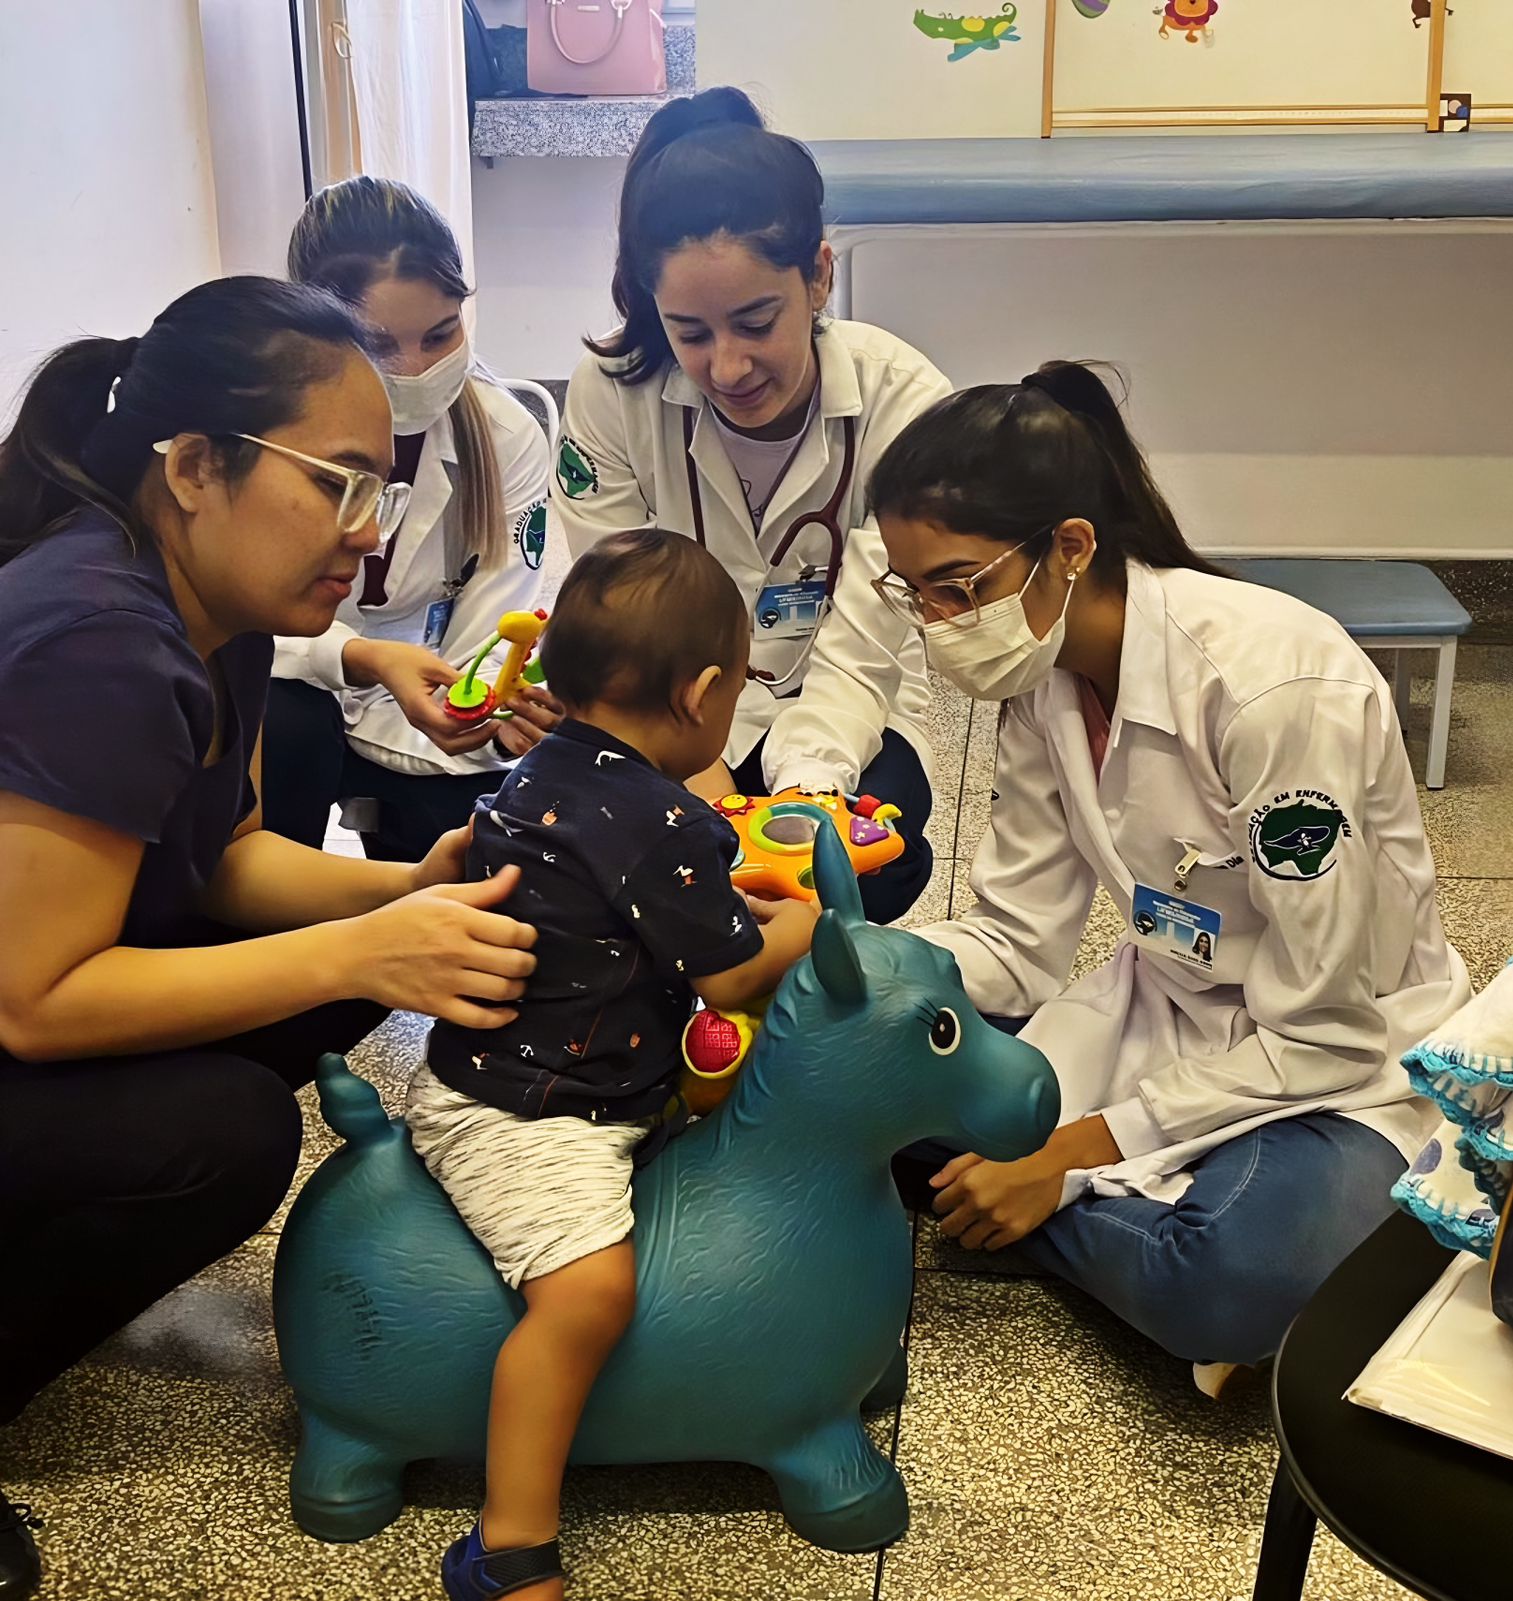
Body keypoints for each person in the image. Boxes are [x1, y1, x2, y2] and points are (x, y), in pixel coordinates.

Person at [0, 278, 539, 1600]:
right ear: (194, 468)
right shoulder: (99, 640)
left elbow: (228, 858)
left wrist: (405, 891)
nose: (364, 533)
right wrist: (364, 953)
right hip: (23, 1000)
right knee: (226, 1134)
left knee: (344, 978)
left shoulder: (223, 609)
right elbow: (34, 1001)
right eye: (337, 484)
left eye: (379, 494)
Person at [871, 364, 1470, 1391]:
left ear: (1070, 546)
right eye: (913, 590)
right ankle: (1119, 1222)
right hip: (1167, 1008)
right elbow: (1017, 943)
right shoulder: (1044, 676)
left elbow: (1320, 1030)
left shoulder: (1273, 688)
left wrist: (1066, 1156)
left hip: (1337, 1063)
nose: (936, 621)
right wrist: (850, 965)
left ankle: (1110, 1233)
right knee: (878, 1096)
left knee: (1228, 1278)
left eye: (959, 586)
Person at [407, 530, 820, 1601]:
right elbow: (730, 974)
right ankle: (509, 1543)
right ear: (701, 692)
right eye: (741, 686)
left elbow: (640, 902)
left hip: (570, 1070)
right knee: (586, 1295)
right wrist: (802, 925)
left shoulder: (540, 767)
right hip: (523, 1109)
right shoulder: (665, 819)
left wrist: (726, 901)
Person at [551, 87, 953, 925]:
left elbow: (864, 647)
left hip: (840, 700)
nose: (727, 367)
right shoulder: (610, 392)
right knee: (614, 857)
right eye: (690, 334)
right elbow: (616, 614)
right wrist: (708, 795)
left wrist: (796, 810)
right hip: (663, 708)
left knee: (872, 865)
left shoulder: (904, 401)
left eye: (755, 321)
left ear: (819, 275)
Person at [265, 176, 556, 863]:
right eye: (379, 344)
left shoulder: (506, 436)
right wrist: (356, 658)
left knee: (475, 824)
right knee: (284, 728)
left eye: (440, 333)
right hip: (296, 683)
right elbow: (236, 622)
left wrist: (489, 707)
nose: (418, 369)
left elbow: (493, 631)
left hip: (420, 698)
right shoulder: (264, 435)